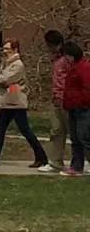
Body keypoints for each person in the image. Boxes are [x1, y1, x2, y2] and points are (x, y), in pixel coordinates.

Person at [0, 39, 51, 169]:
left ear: (15, 49)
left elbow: (7, 80)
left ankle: (41, 157)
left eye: (7, 49)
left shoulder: (18, 65)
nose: (5, 51)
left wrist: (0, 78)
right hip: (6, 102)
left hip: (16, 103)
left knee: (25, 130)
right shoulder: (5, 64)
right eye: (4, 49)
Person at [63, 40, 90, 176]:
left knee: (84, 137)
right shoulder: (72, 69)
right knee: (75, 139)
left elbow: (87, 89)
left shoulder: (84, 68)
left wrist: (79, 102)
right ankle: (76, 166)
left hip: (83, 108)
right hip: (72, 108)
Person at [46, 29, 70, 173]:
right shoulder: (55, 60)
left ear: (59, 45)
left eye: (51, 46)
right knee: (56, 131)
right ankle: (56, 162)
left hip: (66, 100)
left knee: (75, 133)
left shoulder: (67, 60)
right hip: (56, 99)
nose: (50, 49)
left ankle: (79, 161)